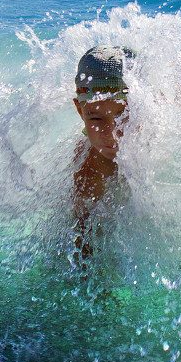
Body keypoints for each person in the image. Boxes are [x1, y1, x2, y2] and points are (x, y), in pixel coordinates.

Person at [72, 46, 134, 250]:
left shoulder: (167, 136)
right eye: (96, 118)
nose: (111, 132)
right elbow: (81, 245)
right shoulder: (91, 170)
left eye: (122, 116)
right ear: (80, 111)